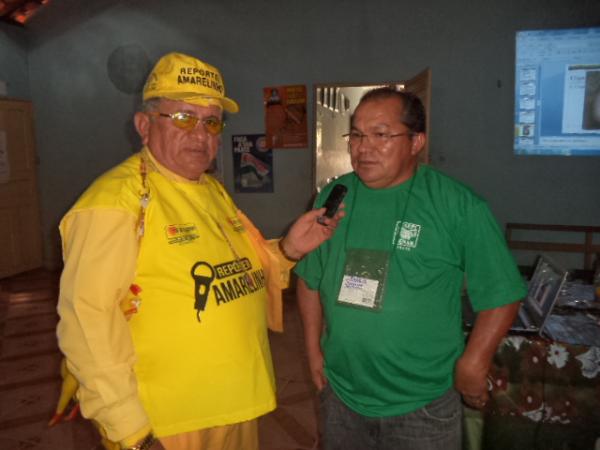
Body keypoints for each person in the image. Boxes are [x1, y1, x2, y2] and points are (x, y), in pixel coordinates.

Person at [54, 52, 343, 450]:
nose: (200, 133)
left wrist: (290, 249)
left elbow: (242, 272)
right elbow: (87, 323)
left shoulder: (210, 189)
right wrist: (129, 431)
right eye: (183, 118)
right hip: (167, 421)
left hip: (232, 403)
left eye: (211, 121)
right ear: (143, 125)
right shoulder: (114, 202)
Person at [294, 87, 527, 450]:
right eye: (356, 134)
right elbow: (309, 279)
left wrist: (473, 361)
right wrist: (312, 352)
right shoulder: (334, 197)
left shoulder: (458, 206)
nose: (362, 147)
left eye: (381, 135)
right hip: (342, 393)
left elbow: (502, 292)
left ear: (416, 141)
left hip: (423, 405)